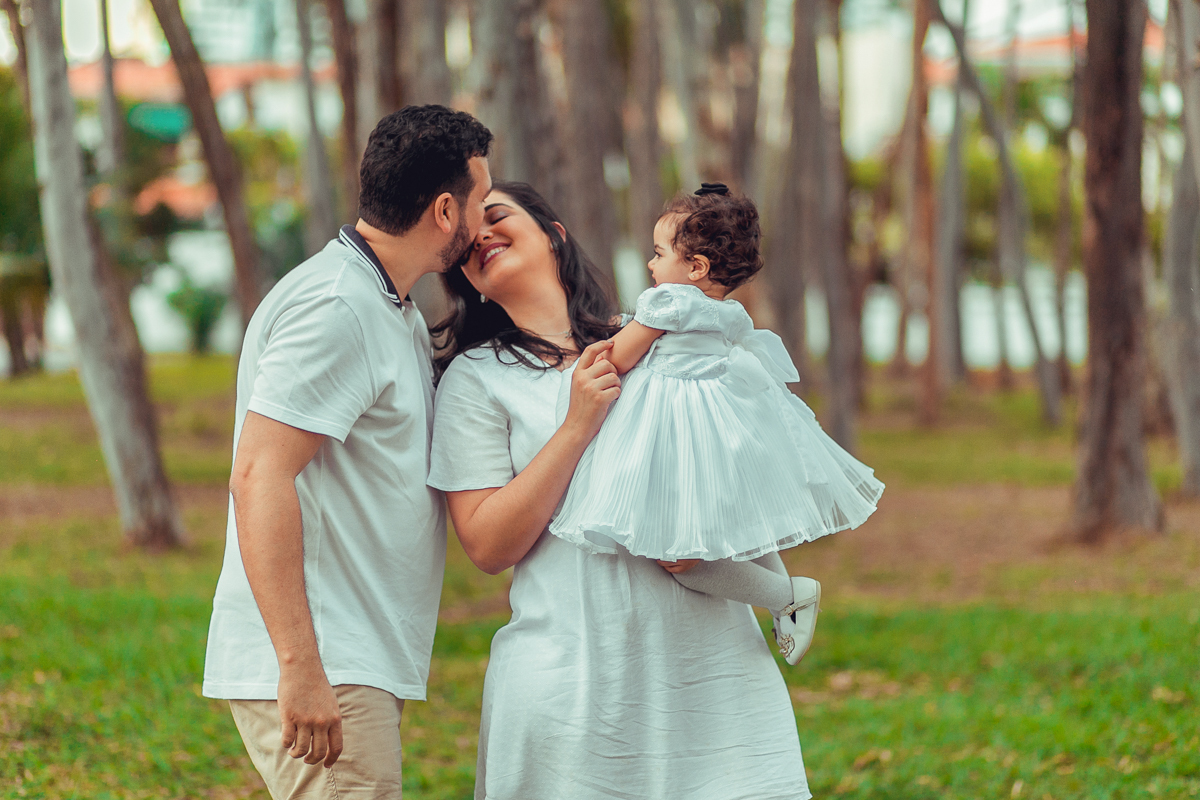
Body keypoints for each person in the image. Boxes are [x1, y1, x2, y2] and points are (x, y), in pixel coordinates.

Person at [428, 181, 813, 800]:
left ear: (554, 235)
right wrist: (578, 422)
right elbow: (487, 544)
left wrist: (710, 539)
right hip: (573, 690)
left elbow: (745, 460)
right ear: (467, 280)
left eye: (495, 217)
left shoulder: (661, 335)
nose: (481, 236)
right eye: (466, 244)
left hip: (709, 676)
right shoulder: (477, 381)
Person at [201, 105, 492, 799]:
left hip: (353, 655)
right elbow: (259, 473)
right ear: (446, 210)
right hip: (326, 658)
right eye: (482, 202)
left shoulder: (386, 304)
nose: (484, 223)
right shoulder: (337, 307)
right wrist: (302, 666)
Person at [549, 182, 885, 665]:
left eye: (659, 252)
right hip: (721, 431)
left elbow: (620, 358)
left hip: (677, 435)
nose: (650, 263)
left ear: (696, 268)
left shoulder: (666, 302)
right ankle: (790, 594)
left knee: (680, 560)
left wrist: (595, 351)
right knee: (741, 529)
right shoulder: (726, 311)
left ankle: (786, 596)